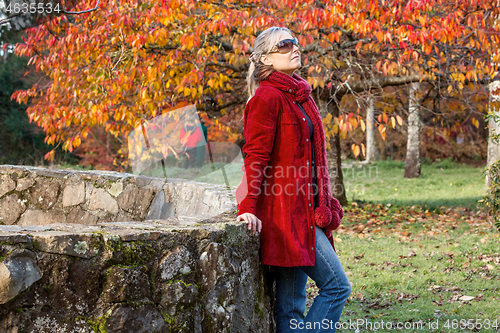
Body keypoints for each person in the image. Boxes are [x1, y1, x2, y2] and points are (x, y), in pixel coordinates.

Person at [235, 27, 351, 332]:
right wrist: (246, 206)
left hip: (306, 212)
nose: (294, 48)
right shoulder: (267, 98)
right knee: (337, 287)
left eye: (295, 42)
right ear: (265, 58)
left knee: (292, 306)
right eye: (284, 45)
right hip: (285, 217)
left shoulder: (300, 95)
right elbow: (255, 157)